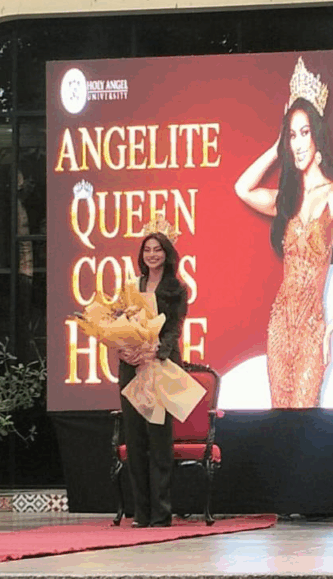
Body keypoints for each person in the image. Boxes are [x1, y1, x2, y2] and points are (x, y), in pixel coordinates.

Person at [234, 57, 333, 408]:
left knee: (305, 421)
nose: (298, 143)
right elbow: (242, 188)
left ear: (317, 135)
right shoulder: (286, 199)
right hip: (279, 326)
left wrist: (329, 331)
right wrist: (275, 147)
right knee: (279, 418)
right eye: (292, 135)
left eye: (304, 132)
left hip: (312, 330)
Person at [116, 224, 188, 527]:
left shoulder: (176, 288)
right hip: (132, 366)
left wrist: (159, 348)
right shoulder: (131, 287)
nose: (152, 254)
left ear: (166, 254)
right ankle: (141, 513)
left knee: (158, 440)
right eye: (147, 250)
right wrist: (123, 349)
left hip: (159, 365)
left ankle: (161, 513)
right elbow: (117, 322)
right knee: (134, 440)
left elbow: (174, 328)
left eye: (157, 249)